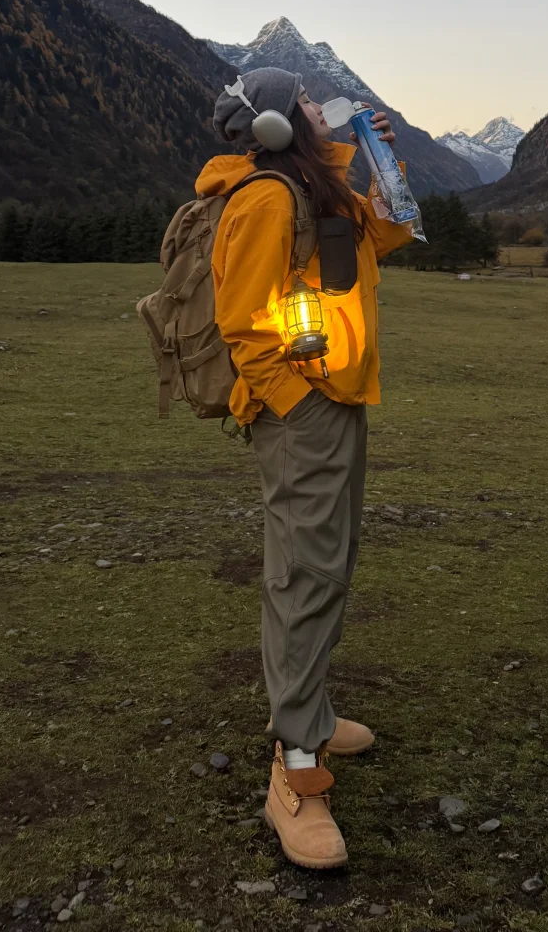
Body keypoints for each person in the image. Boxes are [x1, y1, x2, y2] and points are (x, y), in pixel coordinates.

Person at [197, 68, 415, 869]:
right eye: (310, 101)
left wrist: (383, 170)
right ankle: (295, 773)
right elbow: (242, 324)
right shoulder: (265, 200)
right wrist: (293, 402)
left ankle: (309, 714)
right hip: (303, 410)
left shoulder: (315, 191)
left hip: (336, 396)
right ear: (278, 124)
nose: (326, 107)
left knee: (329, 566)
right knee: (305, 576)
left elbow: (383, 241)